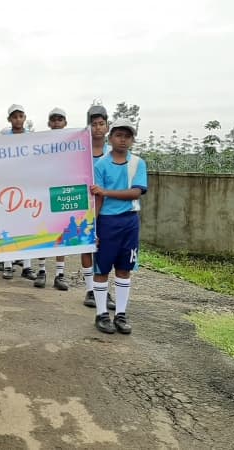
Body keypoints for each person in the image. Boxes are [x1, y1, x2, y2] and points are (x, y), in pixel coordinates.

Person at [91, 118, 147, 334]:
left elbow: (136, 192)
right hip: (107, 222)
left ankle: (121, 315)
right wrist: (93, 228)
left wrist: (106, 192)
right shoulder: (101, 165)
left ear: (132, 140)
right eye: (119, 135)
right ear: (111, 137)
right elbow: (97, 199)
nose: (123, 140)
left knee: (125, 269)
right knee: (102, 268)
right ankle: (101, 314)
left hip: (129, 222)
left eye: (127, 136)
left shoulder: (138, 163)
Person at [82, 104, 115, 310]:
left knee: (104, 248)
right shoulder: (81, 150)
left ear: (107, 126)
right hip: (84, 204)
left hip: (107, 206)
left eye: (101, 124)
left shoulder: (112, 152)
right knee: (86, 244)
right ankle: (90, 290)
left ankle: (102, 289)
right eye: (94, 124)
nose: (98, 128)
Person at [33, 108, 70, 290]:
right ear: (49, 123)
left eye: (60, 119)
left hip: (62, 194)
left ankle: (59, 274)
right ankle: (41, 271)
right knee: (43, 234)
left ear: (65, 123)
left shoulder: (73, 143)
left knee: (61, 235)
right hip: (44, 194)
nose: (56, 123)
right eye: (53, 120)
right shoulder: (41, 143)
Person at [0, 104, 36, 281]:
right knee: (8, 225)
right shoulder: (3, 138)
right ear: (9, 119)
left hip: (27, 186)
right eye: (14, 116)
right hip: (8, 187)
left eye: (20, 116)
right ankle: (7, 265)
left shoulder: (32, 138)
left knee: (28, 225)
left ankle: (27, 266)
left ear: (24, 117)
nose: (18, 119)